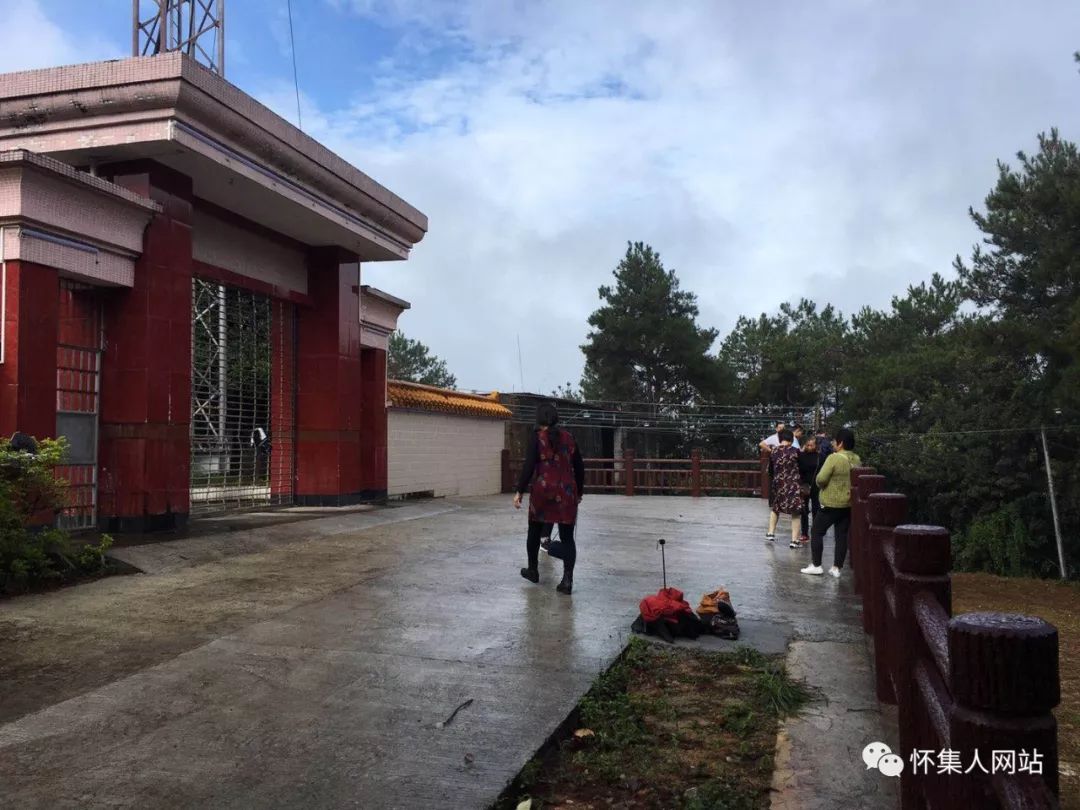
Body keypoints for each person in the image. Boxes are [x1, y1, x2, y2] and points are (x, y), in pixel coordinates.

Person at [513, 402, 585, 594]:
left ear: (539, 420)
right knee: (567, 538)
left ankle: (533, 570)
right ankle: (567, 581)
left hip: (542, 491)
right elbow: (579, 467)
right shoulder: (570, 438)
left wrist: (519, 491)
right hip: (567, 492)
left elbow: (529, 466)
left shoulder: (538, 438)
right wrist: (579, 492)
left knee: (534, 531)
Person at [802, 427, 861, 578]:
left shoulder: (834, 458)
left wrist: (822, 487)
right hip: (847, 504)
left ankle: (816, 565)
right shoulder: (856, 459)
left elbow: (821, 479)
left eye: (835, 441)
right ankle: (836, 568)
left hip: (830, 504)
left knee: (816, 531)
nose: (833, 443)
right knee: (841, 535)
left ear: (840, 443)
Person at [765, 429, 803, 546]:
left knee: (776, 508)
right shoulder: (796, 452)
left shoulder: (774, 451)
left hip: (778, 484)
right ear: (791, 440)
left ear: (780, 439)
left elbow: (770, 470)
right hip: (793, 485)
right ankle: (794, 540)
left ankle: (770, 533)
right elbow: (802, 467)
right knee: (795, 512)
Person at [794, 436, 818, 548]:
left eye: (811, 445)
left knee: (816, 509)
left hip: (816, 485)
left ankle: (816, 531)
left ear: (816, 446)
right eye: (807, 445)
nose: (809, 447)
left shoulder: (819, 457)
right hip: (804, 485)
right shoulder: (801, 455)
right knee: (804, 510)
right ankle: (804, 533)